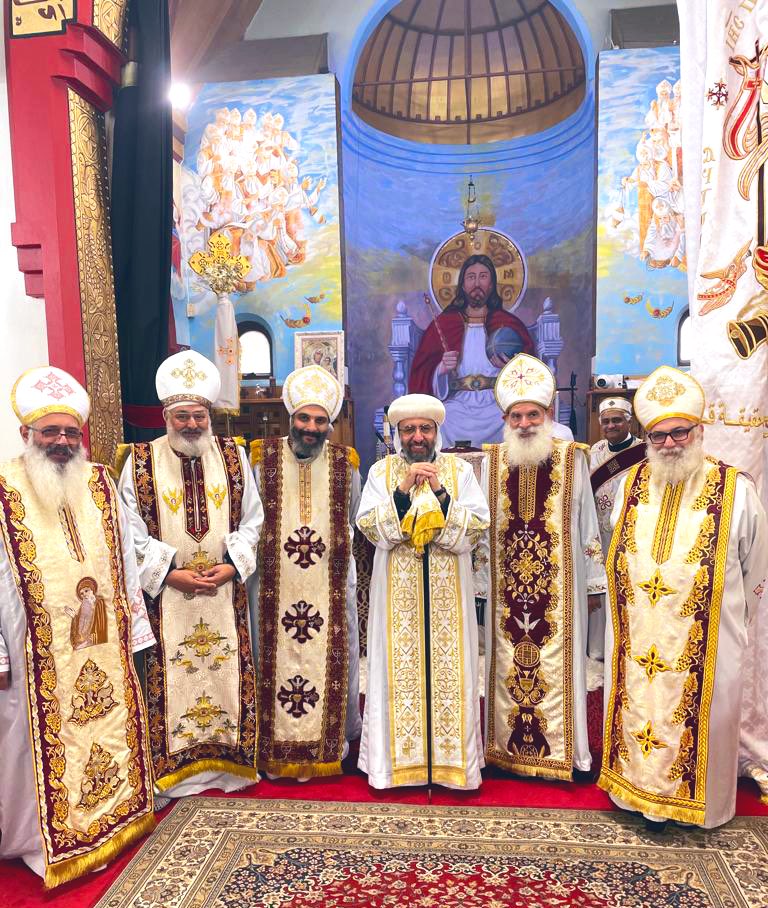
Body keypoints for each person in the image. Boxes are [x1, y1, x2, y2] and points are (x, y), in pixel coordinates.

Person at [0, 367, 155, 886]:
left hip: (103, 646)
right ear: (28, 435)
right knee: (31, 741)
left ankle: (114, 821)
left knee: (108, 728)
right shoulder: (3, 488)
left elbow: (125, 562)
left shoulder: (100, 483)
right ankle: (36, 837)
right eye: (52, 432)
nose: (63, 442)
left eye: (71, 432)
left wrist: (135, 629)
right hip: (32, 654)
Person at [598, 366, 768, 829]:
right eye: (659, 436)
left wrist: (735, 616)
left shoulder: (737, 488)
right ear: (647, 437)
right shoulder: (631, 485)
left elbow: (757, 565)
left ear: (699, 430)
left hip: (707, 635)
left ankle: (697, 809)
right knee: (640, 709)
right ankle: (636, 795)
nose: (670, 444)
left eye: (680, 433)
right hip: (640, 635)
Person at [119, 351, 264, 798]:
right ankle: (175, 774)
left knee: (226, 675)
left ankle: (229, 768)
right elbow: (130, 530)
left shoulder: (235, 458)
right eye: (181, 416)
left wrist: (232, 565)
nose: (191, 424)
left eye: (198, 415)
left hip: (224, 596)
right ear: (167, 416)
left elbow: (253, 520)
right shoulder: (140, 462)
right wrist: (167, 575)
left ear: (209, 416)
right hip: (171, 600)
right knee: (175, 678)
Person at [479, 353, 607, 781]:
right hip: (506, 595)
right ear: (505, 418)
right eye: (516, 416)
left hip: (559, 593)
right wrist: (481, 587)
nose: (524, 424)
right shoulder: (492, 461)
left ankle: (566, 756)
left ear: (548, 414)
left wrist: (592, 584)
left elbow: (587, 521)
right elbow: (482, 534)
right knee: (504, 669)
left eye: (533, 414)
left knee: (561, 666)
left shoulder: (573, 458)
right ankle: (506, 752)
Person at [357, 393, 489, 789]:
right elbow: (369, 528)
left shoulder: (460, 472)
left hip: (450, 591)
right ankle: (391, 766)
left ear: (436, 432)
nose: (417, 436)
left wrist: (442, 493)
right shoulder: (381, 472)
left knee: (452, 673)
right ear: (398, 435)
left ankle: (454, 767)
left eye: (424, 428)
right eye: (409, 429)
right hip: (395, 590)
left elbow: (475, 529)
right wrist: (401, 491)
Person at [250, 365, 362, 780]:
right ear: (290, 418)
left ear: (329, 424)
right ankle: (273, 746)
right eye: (304, 419)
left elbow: (353, 518)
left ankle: (332, 742)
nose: (311, 428)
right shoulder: (261, 460)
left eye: (319, 421)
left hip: (327, 590)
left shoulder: (344, 464)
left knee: (335, 657)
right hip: (273, 589)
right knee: (271, 661)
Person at [408, 254, 535, 448]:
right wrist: (441, 369)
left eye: (483, 276)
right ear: (463, 285)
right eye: (471, 277)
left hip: (495, 405)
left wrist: (508, 368)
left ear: (491, 284)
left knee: (510, 423)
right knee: (443, 422)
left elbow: (529, 372)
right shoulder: (444, 324)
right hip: (459, 405)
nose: (477, 283)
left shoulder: (508, 324)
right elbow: (422, 372)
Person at [588, 397, 644, 660]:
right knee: (599, 588)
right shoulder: (595, 451)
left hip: (630, 535)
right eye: (606, 421)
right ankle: (599, 650)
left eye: (617, 420)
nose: (611, 425)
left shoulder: (644, 452)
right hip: (598, 535)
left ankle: (628, 648)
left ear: (629, 422)